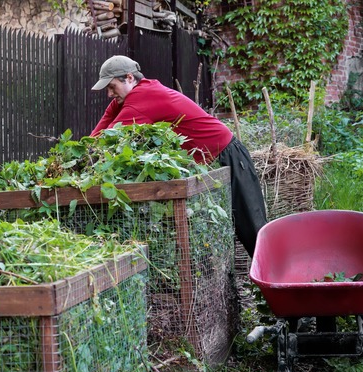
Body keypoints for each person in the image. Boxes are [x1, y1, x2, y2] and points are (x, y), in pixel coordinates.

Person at [90, 55, 267, 257]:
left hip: (228, 154)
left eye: (112, 87)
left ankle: (279, 282)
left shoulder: (143, 97)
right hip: (210, 160)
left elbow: (108, 140)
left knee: (253, 228)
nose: (109, 94)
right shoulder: (123, 100)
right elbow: (96, 136)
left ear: (129, 78)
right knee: (237, 229)